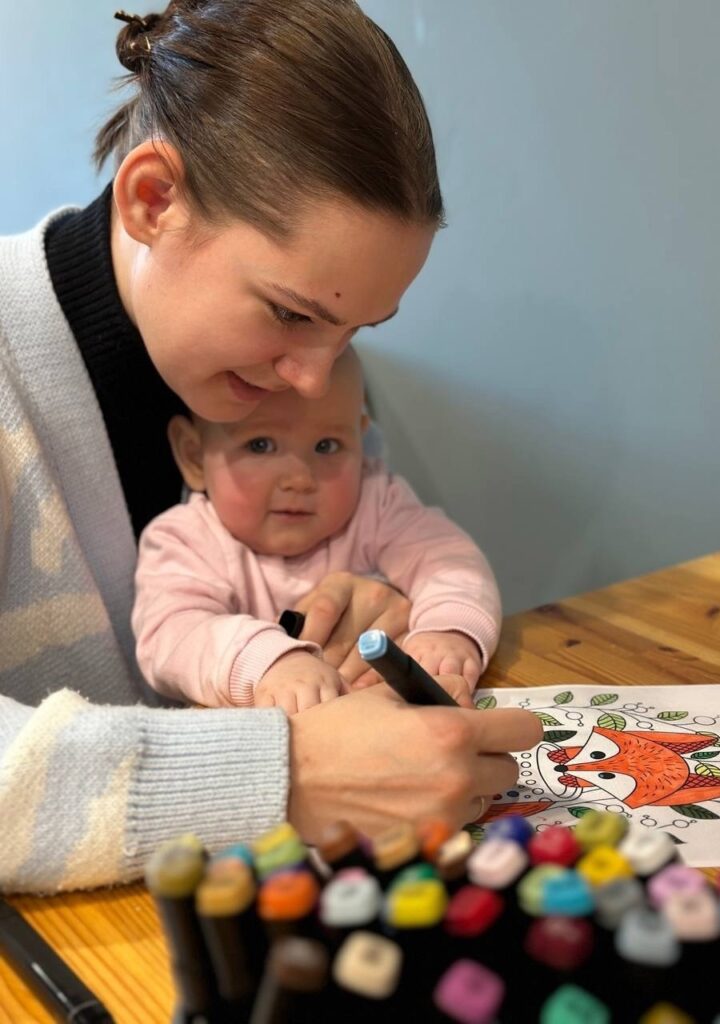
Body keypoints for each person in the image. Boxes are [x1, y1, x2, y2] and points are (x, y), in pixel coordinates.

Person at [0, 0, 542, 895]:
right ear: (153, 200)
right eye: (291, 314)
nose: (313, 377)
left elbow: (381, 546)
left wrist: (383, 601)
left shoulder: (292, 372)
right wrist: (283, 775)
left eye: (357, 330)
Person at [133, 346, 501, 712]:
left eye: (327, 446)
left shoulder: (376, 502)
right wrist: (270, 662)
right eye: (260, 445)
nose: (299, 479)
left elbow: (450, 562)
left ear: (360, 441)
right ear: (194, 455)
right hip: (260, 742)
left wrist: (447, 631)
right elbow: (172, 634)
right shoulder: (184, 540)